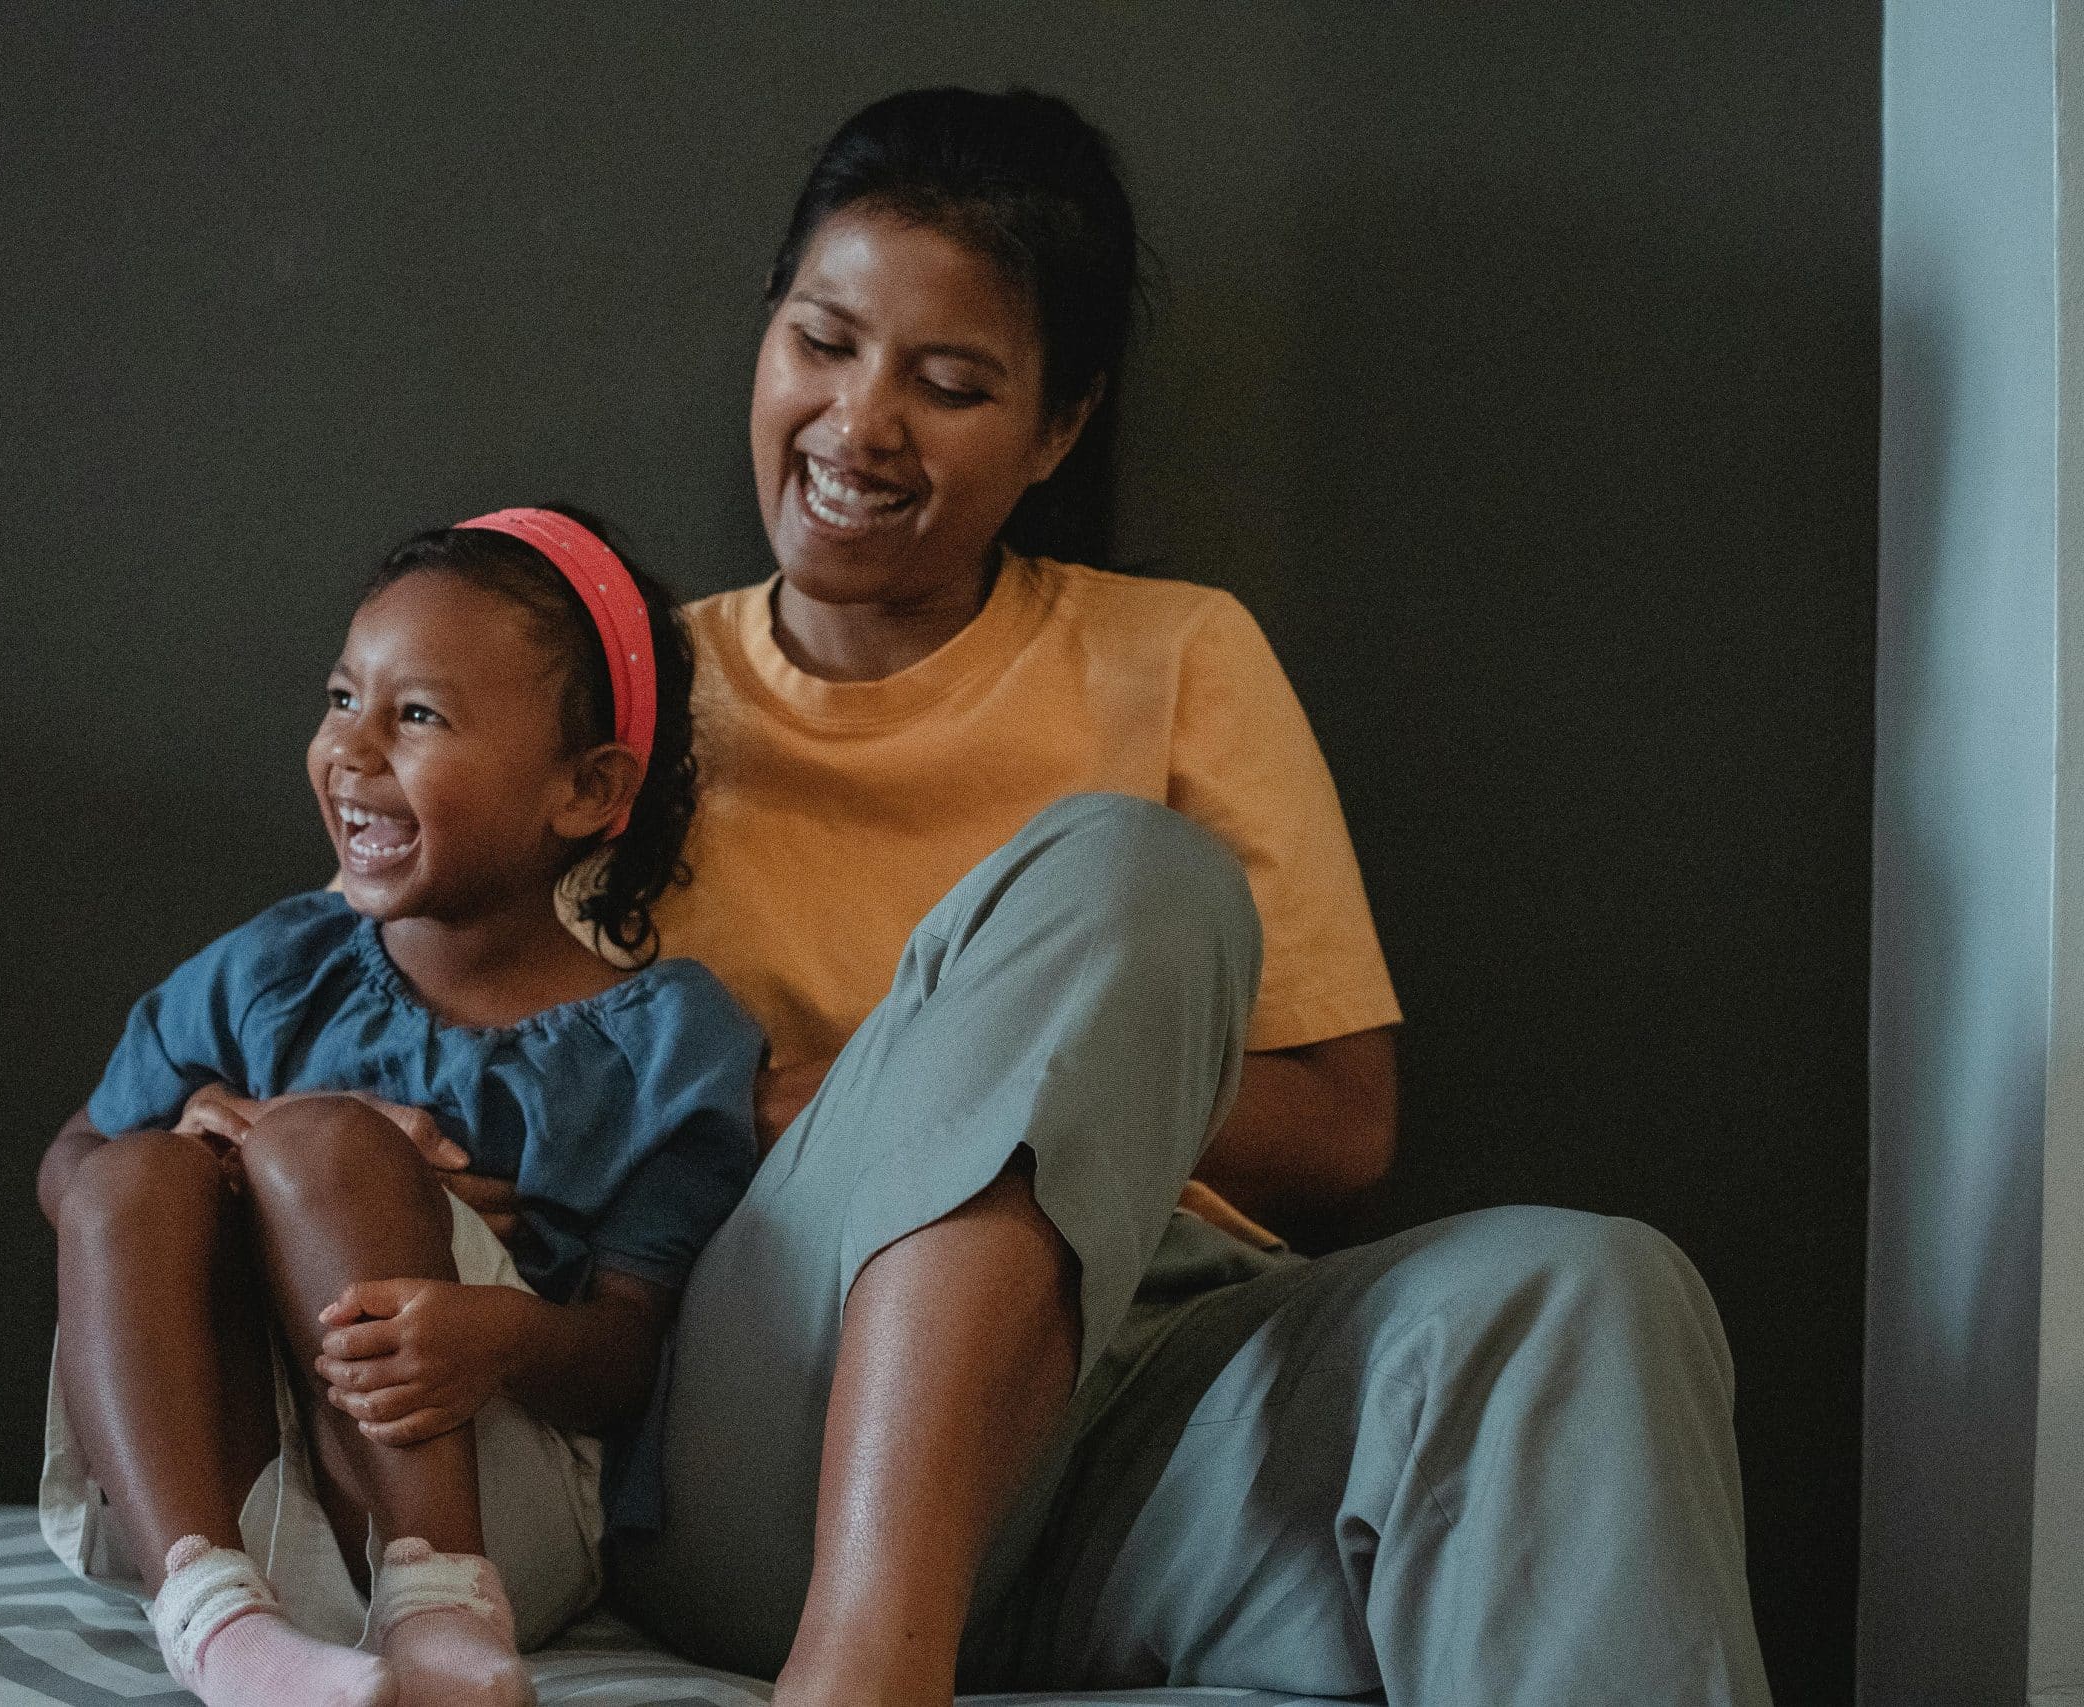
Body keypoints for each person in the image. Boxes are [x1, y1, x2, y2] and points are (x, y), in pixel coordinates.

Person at [413, 89, 1772, 1705]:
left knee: (1595, 1286)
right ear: (768, 337)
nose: (860, 424)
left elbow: (1342, 1127)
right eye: (824, 342)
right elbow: (454, 1048)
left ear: (1058, 430)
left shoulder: (1177, 654)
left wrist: (969, 1069)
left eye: (952, 382)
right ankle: (867, 1668)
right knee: (1121, 870)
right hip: (769, 1418)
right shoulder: (611, 713)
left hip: (1145, 1411)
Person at [33, 507, 762, 1707]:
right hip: (216, 1490)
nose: (351, 749)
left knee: (322, 1139)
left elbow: (633, 1357)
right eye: (339, 700)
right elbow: (68, 1166)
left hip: (492, 1507)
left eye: (416, 715)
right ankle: (216, 1625)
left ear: (585, 788)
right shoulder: (276, 965)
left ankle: (437, 1603)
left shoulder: (664, 1044)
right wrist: (200, 1139)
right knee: (132, 1167)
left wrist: (504, 1337)